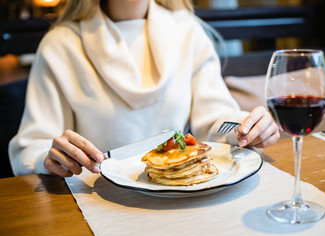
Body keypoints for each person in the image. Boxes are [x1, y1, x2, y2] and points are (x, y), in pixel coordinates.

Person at [9, 0, 280, 177]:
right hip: (95, 201)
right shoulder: (61, 45)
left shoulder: (187, 31)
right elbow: (33, 146)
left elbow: (213, 119)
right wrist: (51, 156)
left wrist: (247, 127)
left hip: (182, 192)